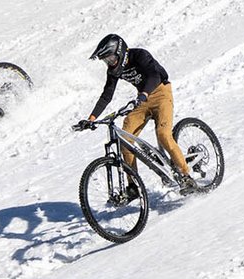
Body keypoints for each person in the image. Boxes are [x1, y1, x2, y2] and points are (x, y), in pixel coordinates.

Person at [73, 34, 195, 195]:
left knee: (163, 134)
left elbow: (154, 75)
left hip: (161, 93)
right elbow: (107, 95)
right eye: (106, 61)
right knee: (125, 140)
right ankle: (133, 187)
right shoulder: (113, 71)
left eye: (110, 58)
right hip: (142, 100)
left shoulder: (140, 55)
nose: (109, 63)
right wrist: (91, 119)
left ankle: (186, 176)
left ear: (120, 51)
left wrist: (144, 93)